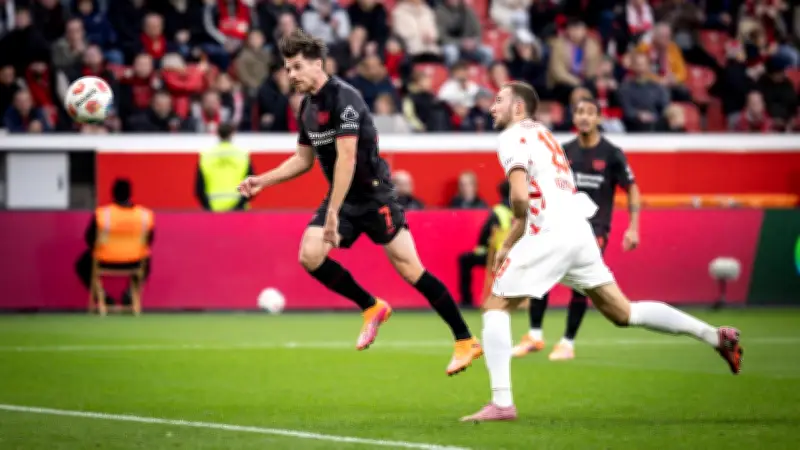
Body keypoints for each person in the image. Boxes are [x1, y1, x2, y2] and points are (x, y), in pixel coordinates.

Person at [460, 81, 743, 422]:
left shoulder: (511, 136)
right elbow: (541, 194)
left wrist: (513, 237)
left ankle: (502, 403)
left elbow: (520, 197)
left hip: (550, 232)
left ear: (518, 107)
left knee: (495, 306)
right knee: (623, 312)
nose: (492, 107)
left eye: (499, 100)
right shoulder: (544, 134)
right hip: (579, 230)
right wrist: (510, 241)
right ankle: (714, 336)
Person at [238, 29, 482, 376]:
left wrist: (333, 213)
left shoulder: (345, 98)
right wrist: (262, 180)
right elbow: (303, 160)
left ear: (318, 64)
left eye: (296, 67)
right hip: (344, 198)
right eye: (287, 68)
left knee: (411, 270)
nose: (290, 74)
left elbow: (347, 158)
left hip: (374, 195)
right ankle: (371, 306)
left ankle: (465, 339)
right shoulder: (307, 107)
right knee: (310, 254)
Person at [514, 98, 641, 361]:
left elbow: (631, 187)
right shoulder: (564, 151)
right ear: (573, 118)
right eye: (580, 112)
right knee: (541, 272)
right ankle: (535, 336)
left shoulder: (612, 153)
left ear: (599, 119)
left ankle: (567, 343)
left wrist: (633, 227)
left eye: (590, 113)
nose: (584, 117)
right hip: (560, 225)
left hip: (595, 230)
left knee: (582, 285)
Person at [75, 179, 154, 307]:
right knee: (147, 260)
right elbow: (148, 241)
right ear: (130, 194)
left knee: (82, 264)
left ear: (113, 193)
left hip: (104, 260)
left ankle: (103, 297)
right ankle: (130, 294)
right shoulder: (144, 215)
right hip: (134, 262)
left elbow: (89, 239)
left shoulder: (102, 214)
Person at [457, 181, 511, 308]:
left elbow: (485, 233)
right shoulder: (524, 210)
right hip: (518, 256)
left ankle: (466, 301)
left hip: (498, 256)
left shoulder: (499, 211)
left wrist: (482, 247)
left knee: (465, 260)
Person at [196, 122, 254, 212]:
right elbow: (252, 185)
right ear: (232, 134)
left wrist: (209, 208)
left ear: (218, 134)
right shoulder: (242, 155)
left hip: (214, 209)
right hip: (239, 211)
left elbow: (199, 188)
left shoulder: (206, 156)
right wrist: (238, 206)